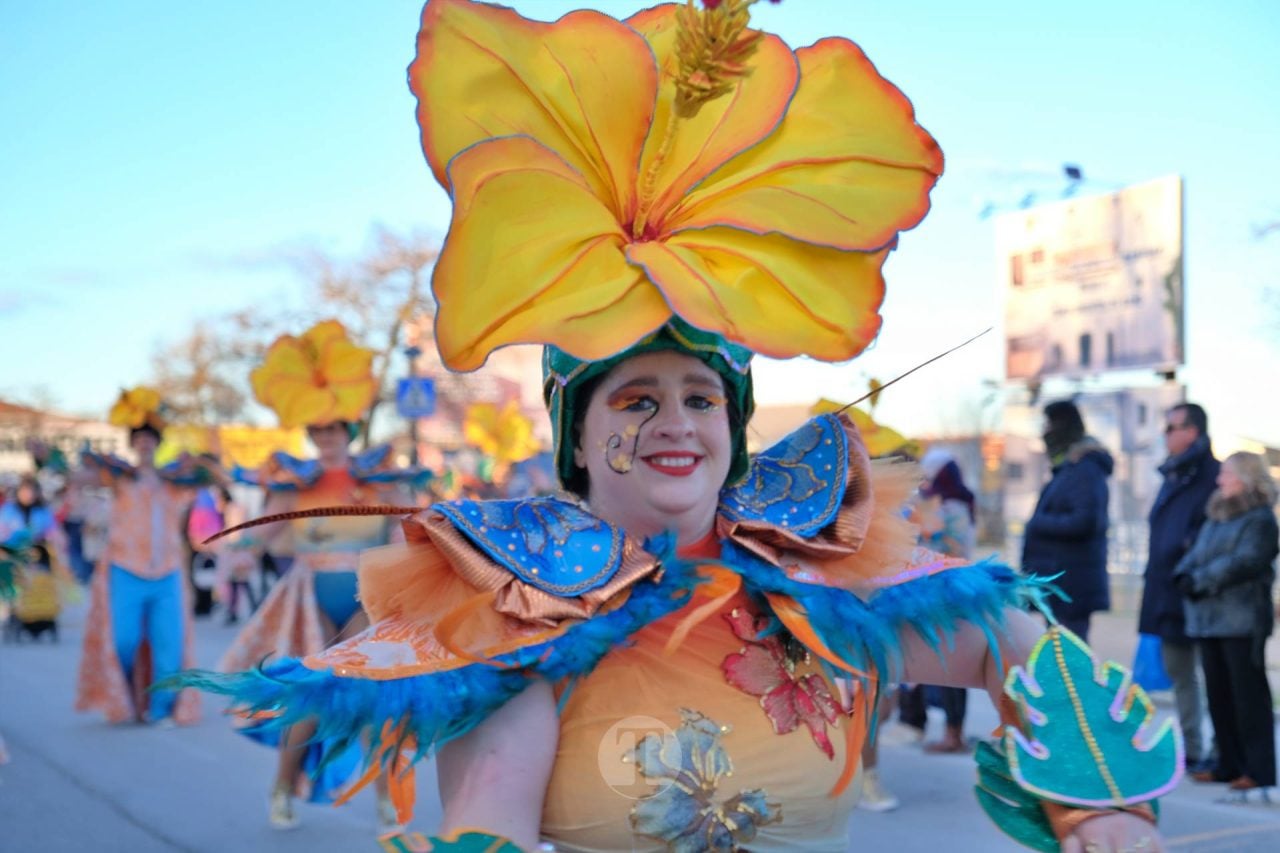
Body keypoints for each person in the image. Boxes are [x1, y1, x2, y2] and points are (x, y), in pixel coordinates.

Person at [182, 2, 1176, 850]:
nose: (677, 424)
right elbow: (488, 819)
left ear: (733, 424)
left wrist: (1098, 805)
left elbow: (1009, 637)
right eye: (635, 399)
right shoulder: (524, 609)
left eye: (701, 398)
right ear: (575, 435)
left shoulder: (816, 574)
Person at [213, 319, 423, 832]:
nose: (326, 438)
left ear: (348, 431)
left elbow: (412, 525)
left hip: (365, 599)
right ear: (310, 434)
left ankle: (384, 798)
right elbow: (267, 529)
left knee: (373, 696)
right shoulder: (296, 480)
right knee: (307, 699)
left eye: (334, 430)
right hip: (309, 599)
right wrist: (239, 547)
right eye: (318, 431)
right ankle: (282, 790)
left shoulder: (377, 478)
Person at [74, 387, 220, 726]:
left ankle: (161, 708)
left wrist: (199, 460)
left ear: (157, 443)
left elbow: (215, 476)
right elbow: (79, 477)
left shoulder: (174, 481)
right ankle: (126, 695)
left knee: (169, 646)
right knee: (123, 640)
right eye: (139, 438)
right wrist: (49, 460)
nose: (144, 443)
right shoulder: (120, 478)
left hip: (167, 572)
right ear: (133, 443)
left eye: (150, 438)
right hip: (126, 569)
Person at [1174, 452, 1278, 796]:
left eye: (1226, 474)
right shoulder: (1216, 514)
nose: (1219, 480)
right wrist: (1183, 574)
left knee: (1248, 697)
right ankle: (1228, 764)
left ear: (1245, 477)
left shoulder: (1260, 518)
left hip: (1242, 620)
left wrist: (1199, 580)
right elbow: (1195, 553)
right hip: (1208, 620)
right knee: (1219, 696)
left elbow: (1246, 561)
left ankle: (1259, 770)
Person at [1139, 403, 1217, 773]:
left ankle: (1223, 751)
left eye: (1172, 427)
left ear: (1192, 432)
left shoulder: (1213, 477)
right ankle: (1193, 750)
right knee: (1179, 672)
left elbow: (1209, 539)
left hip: (1199, 593)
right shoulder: (1172, 476)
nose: (1165, 434)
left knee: (1216, 676)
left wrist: (1188, 569)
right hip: (1166, 591)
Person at [1022, 400, 1113, 641]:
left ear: (1062, 426)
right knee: (1058, 653)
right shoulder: (1067, 469)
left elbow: (1086, 521)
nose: (1044, 432)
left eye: (1048, 425)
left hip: (1072, 586)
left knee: (1069, 655)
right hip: (1060, 584)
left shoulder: (1085, 470)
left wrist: (1038, 523)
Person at [917, 448, 978, 755]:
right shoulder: (960, 502)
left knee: (950, 666)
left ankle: (953, 735)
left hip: (944, 593)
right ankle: (953, 732)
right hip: (956, 591)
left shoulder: (945, 507)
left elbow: (932, 545)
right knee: (953, 665)